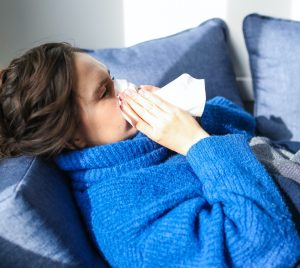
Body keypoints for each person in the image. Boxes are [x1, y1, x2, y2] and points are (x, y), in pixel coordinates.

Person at [0, 42, 299, 267]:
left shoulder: (144, 139)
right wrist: (195, 143)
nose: (125, 88)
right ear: (72, 137)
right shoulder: (121, 219)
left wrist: (190, 114)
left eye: (113, 77)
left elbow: (245, 125)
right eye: (105, 91)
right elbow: (266, 247)